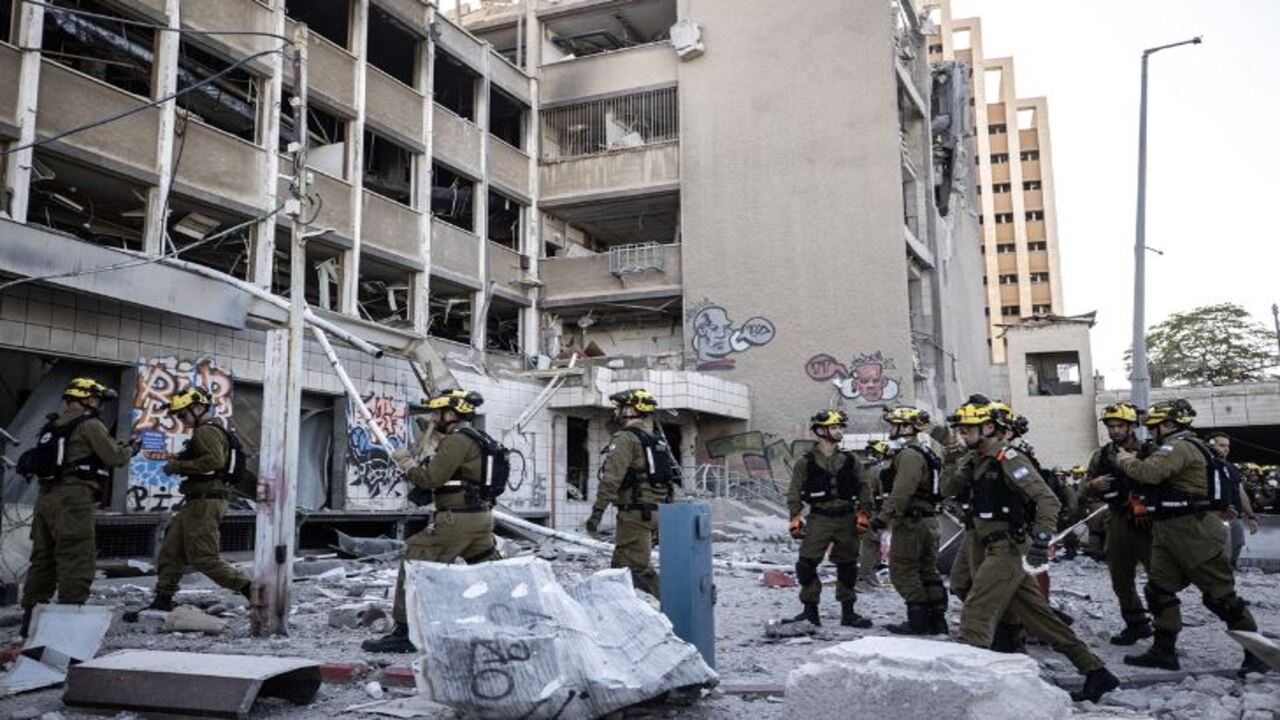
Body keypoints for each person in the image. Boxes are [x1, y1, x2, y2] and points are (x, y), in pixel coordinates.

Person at [948, 398, 1119, 702]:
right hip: (980, 541)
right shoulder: (975, 460)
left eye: (968, 429)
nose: (963, 434)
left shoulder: (1009, 457)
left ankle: (964, 690)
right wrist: (955, 461)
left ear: (989, 427)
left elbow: (1048, 500)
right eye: (960, 429)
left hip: (1007, 546)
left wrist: (1041, 540)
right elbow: (948, 489)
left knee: (977, 610)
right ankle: (1096, 672)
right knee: (1037, 616)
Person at [1116, 400, 1270, 676]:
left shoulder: (1180, 446)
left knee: (1221, 597)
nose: (1151, 433)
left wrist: (1126, 459)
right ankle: (1163, 651)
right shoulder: (1174, 446)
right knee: (1159, 591)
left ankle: (1257, 655)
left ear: (1169, 425)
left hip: (1194, 531)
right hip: (1168, 529)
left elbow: (1150, 473)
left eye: (1154, 427)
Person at [363, 389, 501, 653]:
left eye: (437, 413)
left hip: (456, 520)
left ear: (451, 414)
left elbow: (431, 479)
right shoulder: (480, 438)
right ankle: (514, 613)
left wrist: (406, 464)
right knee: (491, 573)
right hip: (481, 518)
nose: (434, 418)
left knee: (414, 558)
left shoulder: (457, 440)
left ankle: (404, 633)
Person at [18, 378, 133, 637]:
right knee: (76, 555)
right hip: (73, 497)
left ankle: (30, 620)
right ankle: (68, 619)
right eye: (97, 399)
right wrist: (129, 450)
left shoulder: (53, 424)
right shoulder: (89, 424)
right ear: (86, 398)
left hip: (46, 497)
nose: (99, 404)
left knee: (43, 558)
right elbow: (114, 457)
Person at [129, 387, 251, 621]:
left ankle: (250, 589)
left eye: (182, 415)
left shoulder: (206, 431)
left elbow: (214, 461)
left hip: (206, 502)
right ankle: (162, 599)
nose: (180, 420)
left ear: (197, 408)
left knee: (204, 557)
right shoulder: (209, 430)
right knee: (171, 551)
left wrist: (178, 466)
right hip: (196, 502)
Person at [784, 409, 874, 628]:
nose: (839, 431)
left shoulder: (851, 459)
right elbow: (794, 491)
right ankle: (810, 611)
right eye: (834, 427)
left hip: (847, 518)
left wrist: (864, 513)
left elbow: (864, 487)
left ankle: (848, 612)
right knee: (806, 564)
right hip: (819, 518)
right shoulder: (804, 463)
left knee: (848, 565)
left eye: (840, 427)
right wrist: (795, 517)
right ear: (821, 431)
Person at [585, 389, 678, 597]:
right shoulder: (653, 440)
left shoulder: (625, 438)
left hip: (635, 514)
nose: (615, 413)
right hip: (654, 511)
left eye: (618, 408)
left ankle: (673, 605)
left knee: (637, 568)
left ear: (629, 410)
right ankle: (615, 607)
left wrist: (596, 513)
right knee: (620, 564)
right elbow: (668, 482)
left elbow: (611, 479)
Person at [1080, 402, 1155, 646]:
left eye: (1119, 426)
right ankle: (1136, 624)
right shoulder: (1101, 456)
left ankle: (1165, 632)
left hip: (1147, 523)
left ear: (1131, 426)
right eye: (1110, 426)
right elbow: (1082, 490)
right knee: (1120, 578)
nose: (1114, 431)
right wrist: (1094, 485)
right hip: (1117, 520)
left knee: (1158, 578)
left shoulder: (1149, 451)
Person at [872, 406, 947, 635]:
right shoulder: (926, 452)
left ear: (905, 427)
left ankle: (918, 622)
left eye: (893, 424)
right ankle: (937, 620)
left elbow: (902, 490)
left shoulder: (909, 455)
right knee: (927, 570)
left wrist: (883, 517)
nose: (890, 429)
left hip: (912, 522)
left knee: (903, 571)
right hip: (929, 520)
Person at [1205, 432, 1260, 569]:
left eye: (1227, 446)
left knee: (1238, 543)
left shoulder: (1232, 467)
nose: (1226, 449)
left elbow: (1240, 492)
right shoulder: (1204, 465)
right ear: (1210, 445)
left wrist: (1251, 516)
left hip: (1234, 515)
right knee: (1220, 550)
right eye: (1221, 445)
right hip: (1213, 514)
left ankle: (1230, 572)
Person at [857, 440, 891, 592]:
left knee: (872, 544)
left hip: (862, 511)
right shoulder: (878, 470)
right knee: (871, 544)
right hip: (872, 511)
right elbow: (882, 493)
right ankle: (864, 578)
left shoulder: (861, 468)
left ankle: (871, 577)